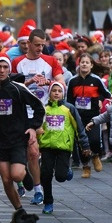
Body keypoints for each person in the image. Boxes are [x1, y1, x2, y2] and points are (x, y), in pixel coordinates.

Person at [0, 56, 45, 214]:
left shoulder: (18, 88)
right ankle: (19, 210)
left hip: (17, 139)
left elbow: (39, 107)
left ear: (9, 70)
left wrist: (33, 128)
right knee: (6, 180)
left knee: (16, 175)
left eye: (5, 67)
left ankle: (25, 173)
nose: (1, 70)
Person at [12, 28, 65, 206]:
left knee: (40, 151)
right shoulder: (18, 62)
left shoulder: (50, 61)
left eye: (43, 45)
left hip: (46, 111)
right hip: (23, 112)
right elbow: (11, 87)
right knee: (31, 152)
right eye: (37, 45)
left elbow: (61, 84)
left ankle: (40, 186)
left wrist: (48, 82)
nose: (40, 48)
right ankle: (33, 186)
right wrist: (29, 82)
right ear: (28, 43)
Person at [37, 81, 87, 214]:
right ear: (50, 93)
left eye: (59, 91)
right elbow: (38, 126)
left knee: (60, 176)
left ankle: (67, 170)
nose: (57, 93)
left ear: (63, 93)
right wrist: (36, 140)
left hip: (64, 147)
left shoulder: (69, 108)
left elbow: (79, 127)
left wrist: (84, 144)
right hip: (47, 146)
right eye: (54, 91)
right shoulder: (44, 109)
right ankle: (48, 202)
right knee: (45, 175)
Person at [67, 53, 111, 178]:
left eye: (87, 62)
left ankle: (96, 154)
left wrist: (100, 99)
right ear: (79, 64)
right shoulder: (73, 81)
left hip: (93, 116)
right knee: (81, 142)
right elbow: (69, 99)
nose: (84, 64)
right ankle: (86, 166)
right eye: (82, 62)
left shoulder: (96, 80)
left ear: (91, 65)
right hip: (78, 116)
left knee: (95, 139)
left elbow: (106, 93)